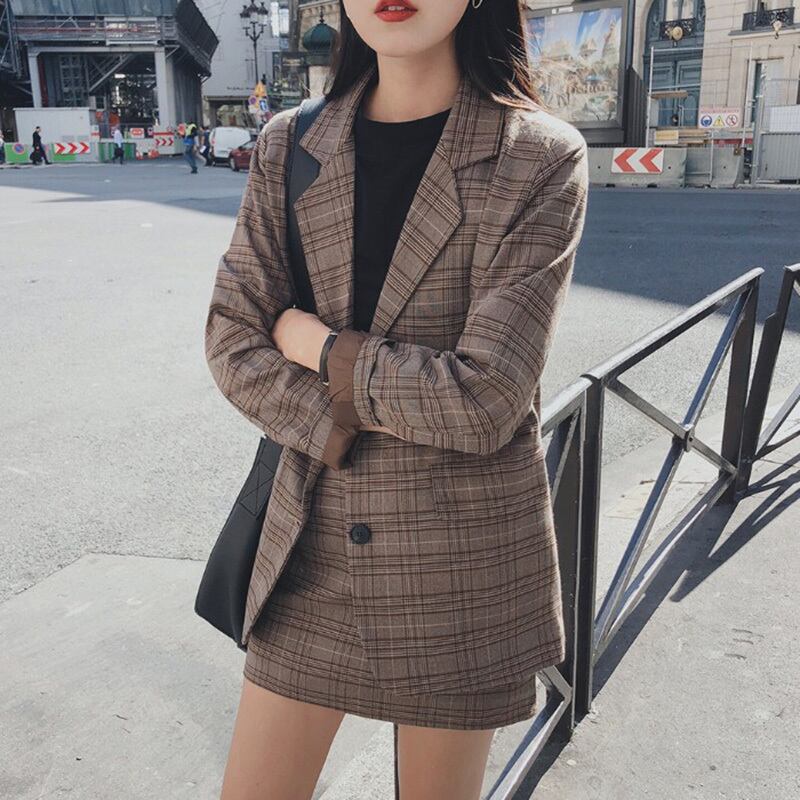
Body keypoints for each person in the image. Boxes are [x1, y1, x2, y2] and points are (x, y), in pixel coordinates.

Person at [204, 1, 588, 797]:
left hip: (458, 572)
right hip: (309, 548)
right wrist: (340, 424)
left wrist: (321, 349)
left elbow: (486, 396)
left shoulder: (538, 156)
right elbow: (233, 341)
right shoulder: (291, 144)